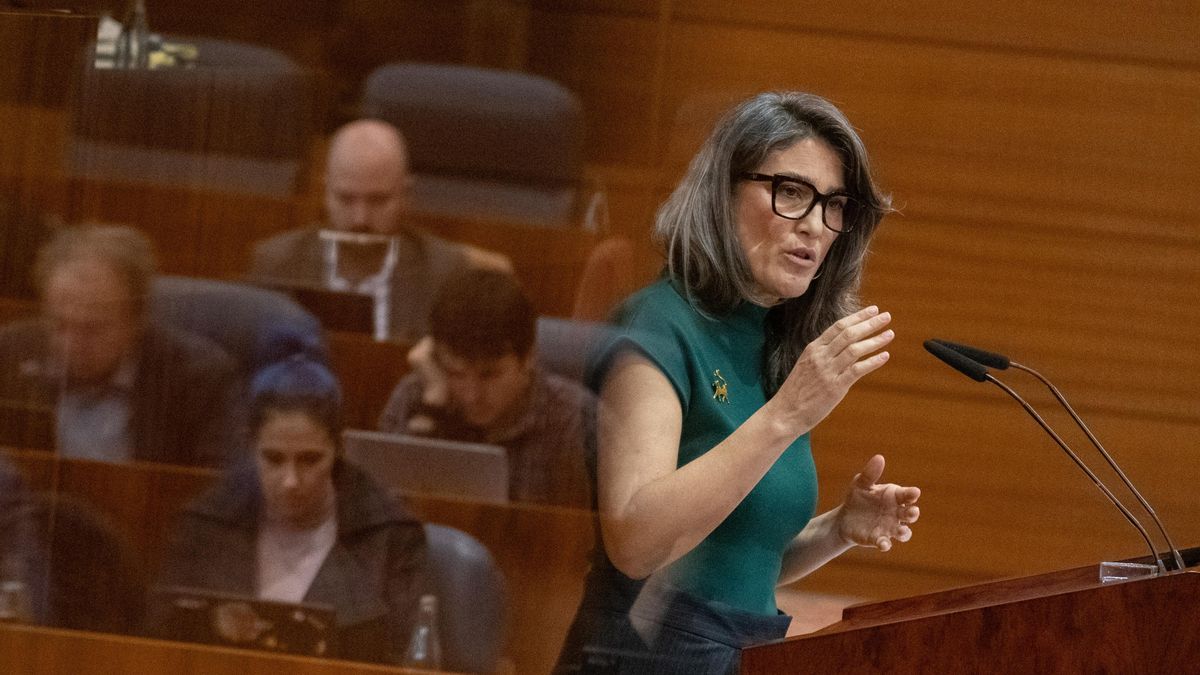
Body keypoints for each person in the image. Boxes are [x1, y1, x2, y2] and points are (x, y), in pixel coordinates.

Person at [553, 91, 923, 674]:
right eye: (792, 192)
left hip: (740, 654)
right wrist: (786, 416)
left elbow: (729, 561)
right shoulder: (657, 325)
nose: (815, 227)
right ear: (721, 193)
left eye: (834, 205)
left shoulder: (770, 344)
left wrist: (837, 530)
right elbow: (636, 542)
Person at [156, 353, 428, 663]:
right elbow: (165, 646)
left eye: (310, 459)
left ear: (338, 449)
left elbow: (400, 661)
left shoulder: (391, 536)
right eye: (273, 459)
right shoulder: (204, 524)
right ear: (250, 447)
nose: (290, 481)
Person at [247, 118, 509, 342]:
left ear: (406, 195)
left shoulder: (447, 273)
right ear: (325, 192)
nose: (360, 218)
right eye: (346, 199)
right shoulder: (277, 261)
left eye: (378, 201)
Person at [0, 225, 240, 468]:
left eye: (92, 329)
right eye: (59, 324)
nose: (70, 344)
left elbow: (217, 486)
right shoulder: (9, 354)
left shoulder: (198, 377)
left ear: (136, 321)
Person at [379, 268, 595, 509]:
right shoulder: (416, 395)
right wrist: (430, 409)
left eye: (489, 375)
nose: (472, 396)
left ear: (529, 358)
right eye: (456, 373)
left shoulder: (577, 419)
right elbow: (385, 510)